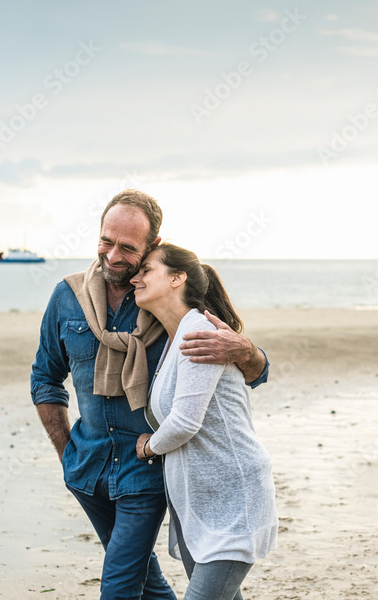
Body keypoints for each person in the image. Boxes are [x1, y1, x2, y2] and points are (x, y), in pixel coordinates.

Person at [30, 190, 270, 600]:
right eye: (106, 241)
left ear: (152, 245)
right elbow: (44, 379)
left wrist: (246, 350)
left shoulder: (162, 304)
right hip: (86, 467)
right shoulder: (67, 297)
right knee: (147, 581)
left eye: (128, 248)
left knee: (120, 583)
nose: (113, 256)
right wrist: (66, 452)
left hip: (146, 471)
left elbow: (249, 374)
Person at [134, 243, 278, 600]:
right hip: (200, 505)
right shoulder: (173, 339)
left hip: (233, 500)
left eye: (147, 270)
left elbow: (185, 423)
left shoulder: (199, 333)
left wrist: (149, 447)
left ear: (177, 278)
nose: (136, 278)